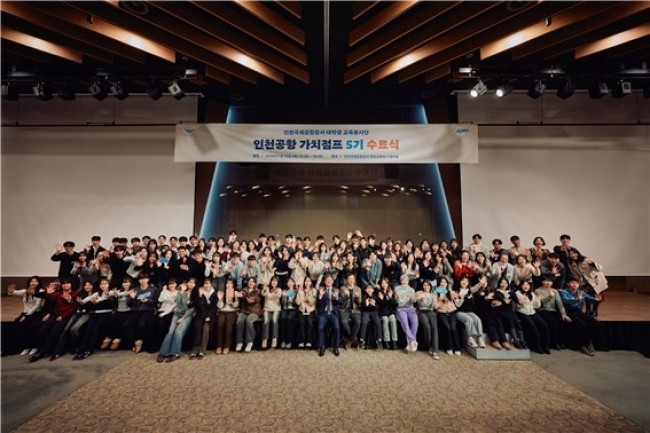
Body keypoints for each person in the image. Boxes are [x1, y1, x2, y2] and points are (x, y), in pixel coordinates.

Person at [29, 279, 80, 362]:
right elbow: (49, 298)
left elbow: (74, 308)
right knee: (42, 330)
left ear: (71, 284)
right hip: (55, 316)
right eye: (63, 284)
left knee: (54, 332)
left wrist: (63, 316)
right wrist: (48, 293)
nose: (65, 285)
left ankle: (42, 353)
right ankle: (42, 349)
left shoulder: (75, 293)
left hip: (66, 317)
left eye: (67, 283)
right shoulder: (58, 293)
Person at [74, 278, 117, 360]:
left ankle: (88, 350)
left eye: (105, 283)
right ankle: (81, 351)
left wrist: (98, 301)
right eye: (101, 284)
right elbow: (87, 299)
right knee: (88, 331)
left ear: (109, 284)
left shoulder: (111, 292)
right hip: (96, 314)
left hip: (106, 315)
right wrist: (82, 302)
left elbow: (112, 297)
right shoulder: (97, 293)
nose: (103, 285)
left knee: (94, 331)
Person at [560, 276, 602, 356]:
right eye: (572, 283)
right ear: (568, 284)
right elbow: (565, 301)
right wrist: (577, 299)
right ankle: (585, 345)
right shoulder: (564, 292)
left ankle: (591, 342)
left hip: (579, 312)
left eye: (576, 283)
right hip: (569, 312)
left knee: (596, 324)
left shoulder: (581, 292)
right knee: (581, 325)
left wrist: (598, 300)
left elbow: (591, 299)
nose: (575, 284)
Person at [7, 277, 45, 355]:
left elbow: (37, 306)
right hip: (25, 313)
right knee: (14, 326)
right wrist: (10, 291)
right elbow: (14, 292)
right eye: (32, 281)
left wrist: (27, 316)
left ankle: (34, 347)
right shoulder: (26, 291)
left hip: (36, 313)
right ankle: (25, 347)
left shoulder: (41, 291)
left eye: (35, 281)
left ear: (39, 283)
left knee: (31, 327)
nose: (33, 283)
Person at [123, 273, 159, 354]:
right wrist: (131, 298)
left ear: (148, 279)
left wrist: (148, 301)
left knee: (141, 324)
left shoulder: (153, 289)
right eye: (141, 279)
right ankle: (137, 341)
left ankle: (141, 343)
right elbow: (129, 304)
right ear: (139, 280)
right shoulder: (135, 289)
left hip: (148, 310)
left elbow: (157, 302)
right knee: (126, 325)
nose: (143, 280)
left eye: (145, 278)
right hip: (137, 310)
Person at [535, 274, 572, 350]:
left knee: (564, 321)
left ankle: (561, 342)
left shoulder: (554, 291)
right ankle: (553, 342)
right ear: (542, 282)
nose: (548, 282)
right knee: (552, 322)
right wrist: (549, 297)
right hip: (543, 310)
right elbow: (540, 303)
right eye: (546, 281)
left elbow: (559, 303)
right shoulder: (538, 291)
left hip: (553, 310)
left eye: (550, 281)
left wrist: (563, 314)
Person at [567, 249, 607, 317]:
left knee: (596, 296)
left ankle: (595, 311)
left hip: (595, 281)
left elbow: (600, 268)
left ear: (578, 253)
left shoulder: (585, 259)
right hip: (584, 282)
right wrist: (580, 283)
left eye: (574, 253)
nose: (573, 255)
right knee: (587, 296)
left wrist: (592, 264)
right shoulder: (571, 263)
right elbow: (575, 275)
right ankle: (588, 310)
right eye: (571, 254)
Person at [514, 281, 551, 354]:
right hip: (522, 312)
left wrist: (538, 300)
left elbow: (536, 306)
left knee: (544, 324)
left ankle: (545, 345)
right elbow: (518, 306)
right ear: (520, 286)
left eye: (527, 285)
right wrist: (522, 302)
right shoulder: (517, 293)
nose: (526, 286)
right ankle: (536, 345)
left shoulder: (531, 294)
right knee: (532, 325)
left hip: (532, 311)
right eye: (524, 285)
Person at [452, 276, 486, 349]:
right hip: (459, 312)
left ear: (468, 283)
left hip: (469, 312)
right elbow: (457, 305)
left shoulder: (469, 290)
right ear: (460, 281)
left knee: (477, 319)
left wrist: (480, 283)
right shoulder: (456, 292)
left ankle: (480, 338)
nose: (464, 282)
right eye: (463, 280)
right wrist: (461, 298)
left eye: (466, 281)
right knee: (469, 320)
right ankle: (470, 339)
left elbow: (475, 288)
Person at [189, 277, 217, 359]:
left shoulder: (214, 294)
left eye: (208, 283)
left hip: (210, 316)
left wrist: (209, 316)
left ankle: (202, 350)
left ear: (211, 284)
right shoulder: (199, 292)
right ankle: (195, 349)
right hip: (200, 315)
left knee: (205, 330)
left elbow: (214, 307)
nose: (206, 285)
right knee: (197, 328)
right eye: (205, 283)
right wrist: (200, 296)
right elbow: (196, 305)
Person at [434, 278, 462, 355]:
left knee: (453, 328)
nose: (443, 284)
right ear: (439, 284)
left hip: (451, 312)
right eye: (441, 282)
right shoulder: (436, 293)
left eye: (445, 282)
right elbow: (435, 306)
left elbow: (458, 304)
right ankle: (449, 347)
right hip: (441, 313)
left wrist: (457, 297)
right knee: (448, 328)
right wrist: (441, 301)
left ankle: (457, 348)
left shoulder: (450, 291)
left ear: (447, 284)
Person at [235, 277, 262, 353]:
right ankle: (239, 342)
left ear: (255, 283)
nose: (251, 283)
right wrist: (241, 296)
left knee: (248, 321)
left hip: (254, 311)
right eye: (250, 281)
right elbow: (243, 295)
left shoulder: (258, 290)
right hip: (244, 310)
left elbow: (257, 298)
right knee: (239, 321)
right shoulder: (244, 290)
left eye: (253, 282)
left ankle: (249, 342)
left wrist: (253, 299)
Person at [316, 275, 341, 356]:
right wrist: (320, 296)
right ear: (324, 282)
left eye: (330, 280)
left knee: (337, 327)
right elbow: (317, 304)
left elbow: (342, 302)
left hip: (333, 313)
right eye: (327, 280)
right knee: (320, 327)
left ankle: (336, 347)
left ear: (333, 282)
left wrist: (337, 298)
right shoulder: (321, 290)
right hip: (323, 313)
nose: (329, 281)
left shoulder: (336, 290)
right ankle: (322, 346)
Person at [394, 274, 419, 353]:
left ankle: (411, 343)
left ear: (408, 281)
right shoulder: (397, 288)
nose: (404, 281)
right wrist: (396, 297)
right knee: (404, 322)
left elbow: (413, 301)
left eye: (406, 280)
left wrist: (414, 299)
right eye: (403, 280)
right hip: (401, 309)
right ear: (400, 281)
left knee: (415, 322)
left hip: (410, 309)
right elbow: (397, 299)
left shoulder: (412, 289)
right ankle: (412, 340)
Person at [415, 280, 440, 359]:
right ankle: (429, 346)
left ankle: (435, 350)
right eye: (424, 285)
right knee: (427, 327)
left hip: (431, 311)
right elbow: (413, 300)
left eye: (428, 285)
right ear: (422, 286)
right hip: (422, 312)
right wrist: (419, 297)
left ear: (430, 286)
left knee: (434, 329)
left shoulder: (433, 294)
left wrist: (435, 306)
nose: (426, 287)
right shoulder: (419, 293)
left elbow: (434, 305)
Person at [214, 278, 239, 355]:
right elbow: (219, 306)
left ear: (233, 285)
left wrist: (232, 303)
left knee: (228, 326)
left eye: (230, 283)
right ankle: (219, 346)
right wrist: (220, 300)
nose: (229, 285)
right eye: (227, 283)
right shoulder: (222, 292)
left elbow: (237, 305)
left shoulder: (235, 293)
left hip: (232, 311)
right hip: (222, 311)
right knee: (220, 325)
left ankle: (226, 346)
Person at [338, 274, 362, 348]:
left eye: (352, 279)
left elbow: (360, 304)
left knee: (358, 322)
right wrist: (346, 297)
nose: (351, 280)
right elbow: (341, 303)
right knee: (344, 322)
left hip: (355, 310)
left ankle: (350, 340)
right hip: (345, 309)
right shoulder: (342, 288)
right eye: (349, 279)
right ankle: (354, 339)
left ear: (354, 280)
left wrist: (357, 298)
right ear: (346, 280)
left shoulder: (358, 289)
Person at [358, 284, 383, 350]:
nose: (369, 289)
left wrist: (374, 305)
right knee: (364, 322)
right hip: (365, 311)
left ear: (373, 290)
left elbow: (378, 307)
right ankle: (362, 340)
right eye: (368, 288)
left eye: (371, 288)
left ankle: (379, 340)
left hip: (373, 312)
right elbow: (361, 306)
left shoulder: (375, 296)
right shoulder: (363, 296)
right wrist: (366, 304)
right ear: (365, 290)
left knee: (378, 322)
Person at [261, 276, 283, 349]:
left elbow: (278, 296)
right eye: (273, 281)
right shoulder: (267, 288)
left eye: (276, 281)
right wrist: (265, 291)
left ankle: (274, 338)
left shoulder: (279, 289)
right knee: (266, 321)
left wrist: (269, 295)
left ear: (278, 283)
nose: (274, 282)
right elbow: (263, 294)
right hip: (267, 308)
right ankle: (265, 339)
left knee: (274, 320)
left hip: (276, 308)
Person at [377, 277, 398, 350]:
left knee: (392, 320)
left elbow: (395, 305)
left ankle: (394, 341)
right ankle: (387, 341)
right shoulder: (379, 292)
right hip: (383, 313)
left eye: (385, 283)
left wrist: (390, 297)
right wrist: (382, 299)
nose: (383, 284)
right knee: (385, 320)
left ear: (388, 283)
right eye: (382, 283)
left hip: (391, 312)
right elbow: (380, 306)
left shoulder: (392, 292)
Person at [296, 277, 317, 349]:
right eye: (306, 281)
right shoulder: (300, 291)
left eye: (309, 281)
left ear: (311, 282)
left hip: (310, 310)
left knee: (309, 322)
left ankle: (309, 341)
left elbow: (313, 303)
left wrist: (308, 299)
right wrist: (302, 298)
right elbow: (297, 302)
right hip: (301, 310)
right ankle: (301, 341)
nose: (307, 283)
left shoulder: (314, 291)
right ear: (304, 282)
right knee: (301, 322)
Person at [278, 277, 298, 349]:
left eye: (291, 282)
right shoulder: (284, 291)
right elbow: (283, 303)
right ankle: (283, 340)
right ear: (287, 283)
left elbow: (297, 303)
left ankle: (289, 341)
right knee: (283, 319)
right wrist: (284, 297)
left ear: (294, 283)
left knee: (289, 319)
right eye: (288, 282)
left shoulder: (296, 291)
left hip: (293, 309)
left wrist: (292, 301)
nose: (290, 283)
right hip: (285, 308)